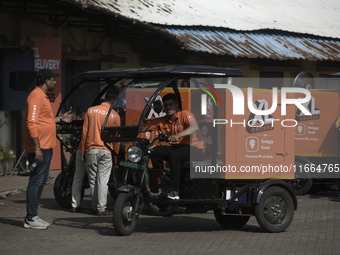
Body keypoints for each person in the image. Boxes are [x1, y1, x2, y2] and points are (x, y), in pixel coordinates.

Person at [24, 69, 74, 229]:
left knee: (40, 181)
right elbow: (31, 122)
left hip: (46, 146)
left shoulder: (41, 97)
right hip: (40, 147)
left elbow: (43, 119)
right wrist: (37, 148)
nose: (55, 82)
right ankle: (31, 218)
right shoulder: (35, 96)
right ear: (46, 81)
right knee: (36, 181)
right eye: (53, 79)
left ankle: (33, 216)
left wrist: (61, 119)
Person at [142, 93, 205, 199]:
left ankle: (173, 190)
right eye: (165, 105)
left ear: (176, 105)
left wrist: (177, 135)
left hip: (195, 150)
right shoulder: (163, 120)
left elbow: (194, 128)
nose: (168, 107)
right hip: (178, 148)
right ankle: (159, 185)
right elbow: (143, 128)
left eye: (171, 104)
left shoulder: (185, 114)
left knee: (175, 155)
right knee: (155, 151)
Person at [80, 87, 120, 216]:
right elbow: (116, 139)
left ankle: (94, 206)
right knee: (103, 180)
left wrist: (83, 151)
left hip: (91, 149)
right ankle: (101, 208)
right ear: (114, 100)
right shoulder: (115, 115)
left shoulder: (91, 111)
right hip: (107, 151)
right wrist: (116, 155)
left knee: (92, 179)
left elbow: (84, 132)